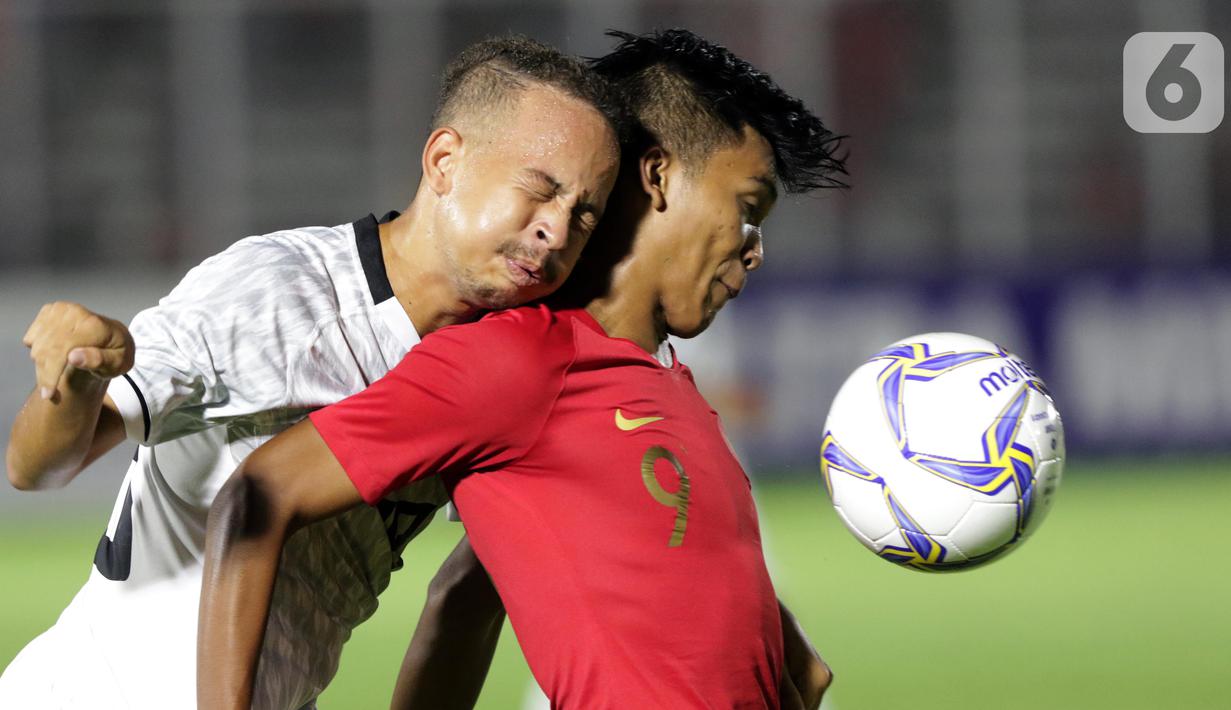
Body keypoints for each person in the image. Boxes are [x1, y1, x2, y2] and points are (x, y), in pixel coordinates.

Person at [199, 28, 847, 709]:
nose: (754, 250)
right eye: (747, 210)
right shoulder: (520, 357)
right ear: (656, 176)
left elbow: (464, 601)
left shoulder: (674, 392)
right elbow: (260, 492)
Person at [2, 36, 622, 710]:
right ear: (445, 160)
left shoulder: (494, 373)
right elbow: (38, 470)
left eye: (582, 215)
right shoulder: (277, 292)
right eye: (540, 189)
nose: (556, 232)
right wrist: (70, 382)